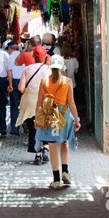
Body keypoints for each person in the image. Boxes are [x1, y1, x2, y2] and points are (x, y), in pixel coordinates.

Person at [35, 55, 81, 189]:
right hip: (64, 115)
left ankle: (56, 180)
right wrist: (76, 119)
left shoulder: (44, 81)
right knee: (64, 142)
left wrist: (37, 118)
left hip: (50, 115)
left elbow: (39, 103)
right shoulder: (67, 81)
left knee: (53, 146)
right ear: (62, 68)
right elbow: (71, 103)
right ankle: (65, 171)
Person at [16, 45, 50, 165]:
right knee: (44, 125)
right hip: (44, 101)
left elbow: (20, 88)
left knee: (33, 128)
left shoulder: (27, 69)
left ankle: (38, 155)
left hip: (30, 101)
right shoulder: (47, 69)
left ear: (33, 56)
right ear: (44, 56)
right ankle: (45, 147)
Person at [7, 41, 24, 135]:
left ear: (10, 49)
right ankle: (25, 126)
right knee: (23, 105)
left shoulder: (11, 57)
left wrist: (10, 85)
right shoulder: (23, 55)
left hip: (14, 81)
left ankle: (14, 128)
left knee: (14, 106)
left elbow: (9, 71)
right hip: (23, 82)